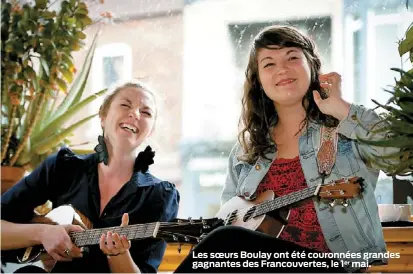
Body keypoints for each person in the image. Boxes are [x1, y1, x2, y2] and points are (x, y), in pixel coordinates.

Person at [174, 25, 398, 273]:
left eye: (292, 57)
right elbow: (230, 223)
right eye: (269, 64)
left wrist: (342, 108)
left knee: (224, 241)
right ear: (258, 80)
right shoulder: (244, 153)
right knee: (223, 241)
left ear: (312, 66)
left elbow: (400, 156)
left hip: (333, 268)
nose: (282, 69)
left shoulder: (345, 132)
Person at [1, 81, 180, 273]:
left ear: (150, 131)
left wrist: (118, 254)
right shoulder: (63, 167)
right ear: (103, 116)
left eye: (146, 113)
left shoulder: (161, 195)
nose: (135, 114)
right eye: (125, 105)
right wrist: (43, 233)